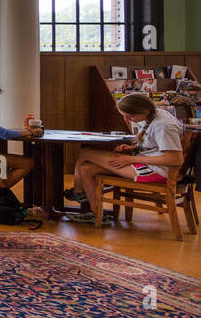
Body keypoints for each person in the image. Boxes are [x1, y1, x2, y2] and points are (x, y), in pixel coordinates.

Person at [65, 93, 185, 223]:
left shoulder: (163, 125)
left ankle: (77, 192)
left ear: (142, 111)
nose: (128, 120)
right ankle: (96, 214)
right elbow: (156, 146)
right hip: (148, 164)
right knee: (86, 168)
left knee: (86, 153)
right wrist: (133, 149)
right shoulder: (153, 114)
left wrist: (132, 159)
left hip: (158, 171)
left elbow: (175, 159)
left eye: (131, 116)